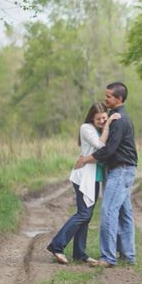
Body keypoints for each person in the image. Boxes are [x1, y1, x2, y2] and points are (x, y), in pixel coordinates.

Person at [47, 102, 121, 264]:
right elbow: (100, 145)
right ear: (91, 118)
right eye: (99, 119)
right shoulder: (86, 128)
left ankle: (80, 253)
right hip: (84, 176)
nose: (102, 121)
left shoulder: (101, 130)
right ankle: (57, 246)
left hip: (95, 177)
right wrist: (108, 124)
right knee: (83, 214)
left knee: (87, 216)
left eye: (104, 118)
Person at [74, 82, 138, 267]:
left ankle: (108, 258)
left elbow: (109, 150)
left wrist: (86, 159)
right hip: (123, 169)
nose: (105, 98)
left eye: (109, 96)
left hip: (121, 169)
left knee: (108, 211)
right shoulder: (115, 117)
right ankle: (128, 255)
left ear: (119, 99)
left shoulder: (119, 120)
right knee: (125, 213)